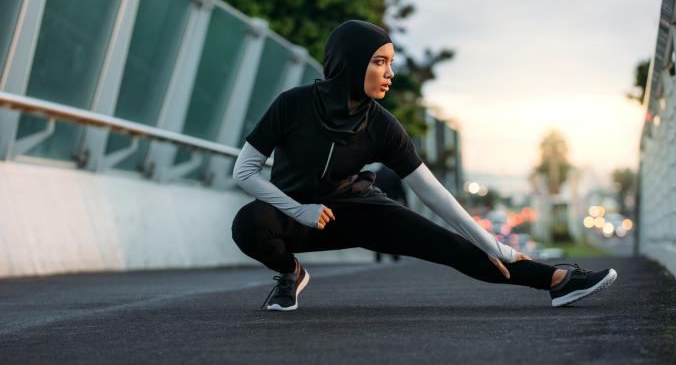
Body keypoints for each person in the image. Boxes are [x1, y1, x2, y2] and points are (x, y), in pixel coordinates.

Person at [231, 20, 617, 311]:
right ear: (350, 63)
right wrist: (298, 209)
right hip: (293, 215)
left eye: (391, 63)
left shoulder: (381, 125)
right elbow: (244, 170)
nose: (390, 74)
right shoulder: (292, 104)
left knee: (452, 247)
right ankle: (289, 272)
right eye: (379, 62)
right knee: (249, 225)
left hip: (358, 210)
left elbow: (432, 192)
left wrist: (490, 242)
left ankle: (556, 280)